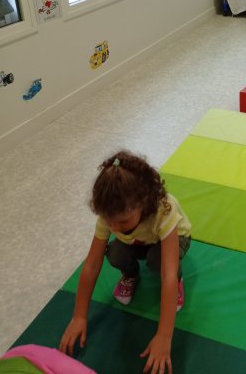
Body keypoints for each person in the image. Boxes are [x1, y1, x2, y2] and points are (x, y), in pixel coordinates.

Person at [59, 150, 191, 374]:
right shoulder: (111, 215)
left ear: (143, 201)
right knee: (115, 253)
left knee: (158, 261)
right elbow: (92, 264)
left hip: (172, 240)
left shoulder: (163, 210)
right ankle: (131, 275)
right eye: (110, 222)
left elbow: (167, 274)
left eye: (122, 221)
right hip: (138, 242)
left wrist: (164, 336)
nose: (114, 227)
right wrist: (79, 316)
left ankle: (180, 282)